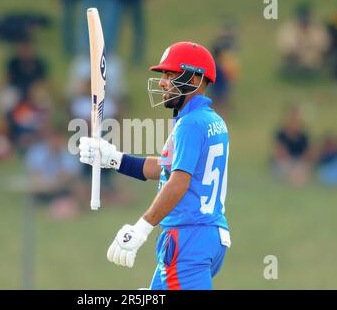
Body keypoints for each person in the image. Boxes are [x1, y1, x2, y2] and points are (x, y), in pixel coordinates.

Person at [78, 42, 231, 290]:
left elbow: (179, 181)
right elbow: (167, 167)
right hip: (208, 236)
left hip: (187, 238)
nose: (162, 83)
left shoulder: (191, 124)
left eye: (170, 75)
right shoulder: (211, 120)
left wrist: (142, 227)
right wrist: (113, 158)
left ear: (193, 78)